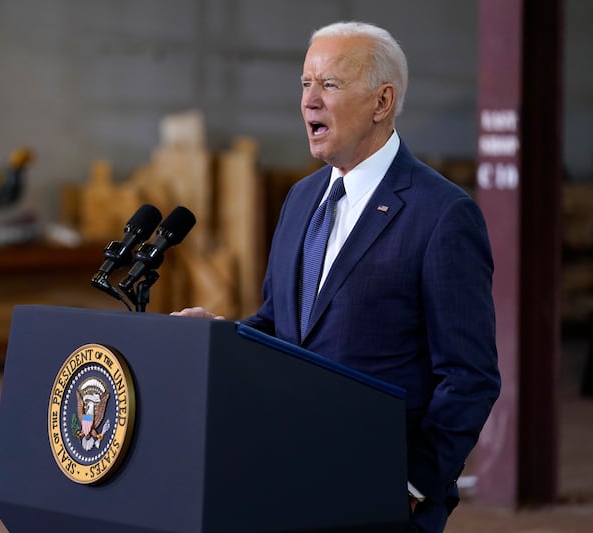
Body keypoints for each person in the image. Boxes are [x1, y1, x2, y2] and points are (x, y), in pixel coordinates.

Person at [173, 21, 500, 533]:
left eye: (329, 84)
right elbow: (281, 327)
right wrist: (219, 336)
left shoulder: (442, 215)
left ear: (382, 101)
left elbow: (469, 375)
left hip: (379, 499)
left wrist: (415, 483)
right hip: (289, 481)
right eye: (305, 84)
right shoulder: (302, 199)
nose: (309, 101)